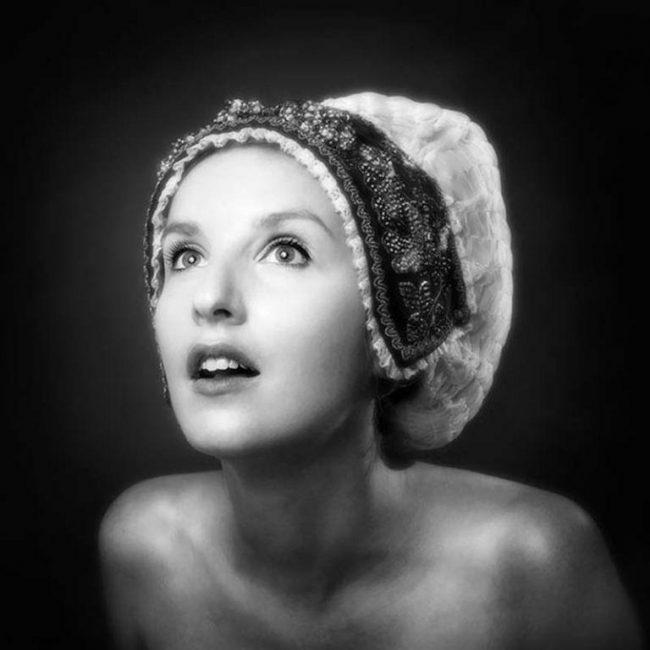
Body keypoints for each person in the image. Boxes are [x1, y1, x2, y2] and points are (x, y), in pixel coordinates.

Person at [99, 93, 642, 649]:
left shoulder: (530, 563)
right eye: (185, 256)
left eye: (285, 251)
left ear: (393, 321)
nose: (210, 297)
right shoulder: (145, 548)